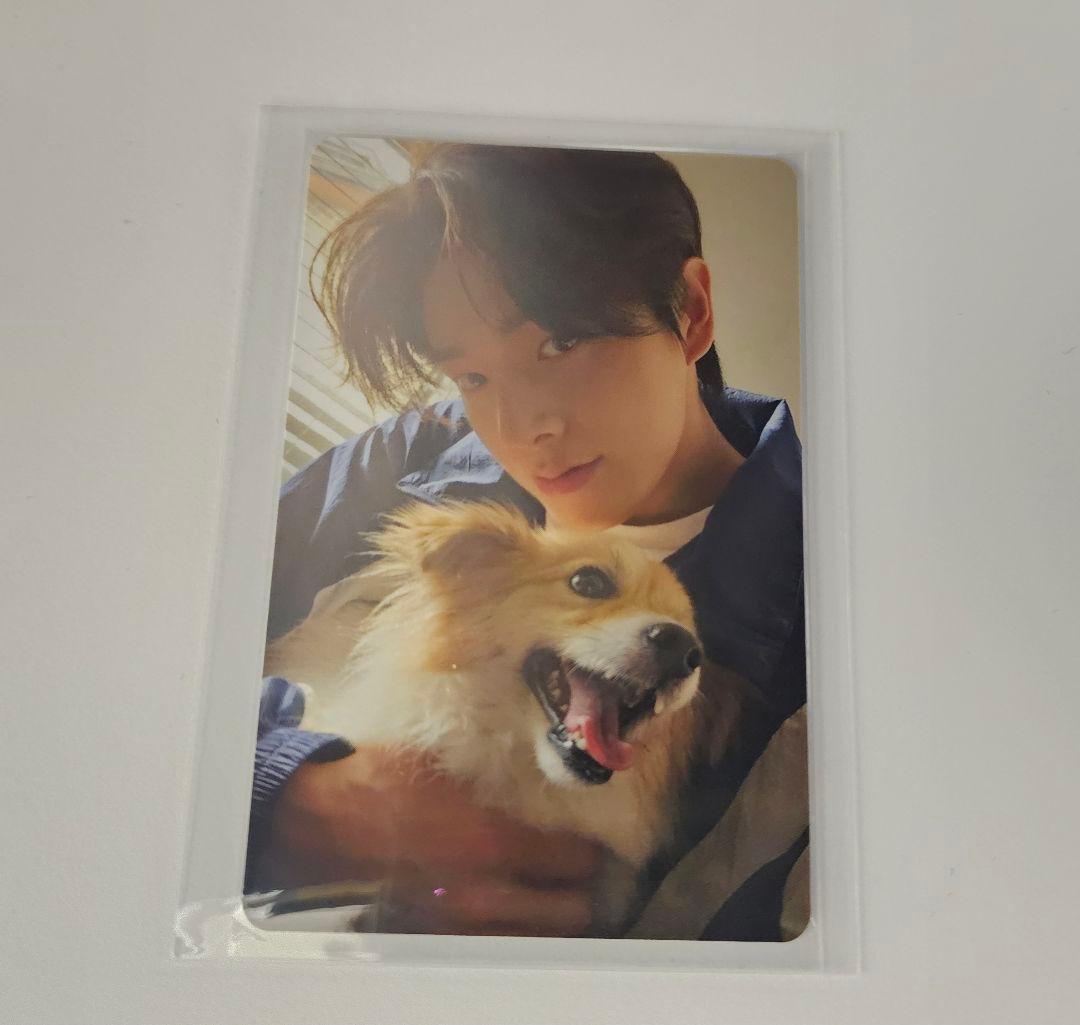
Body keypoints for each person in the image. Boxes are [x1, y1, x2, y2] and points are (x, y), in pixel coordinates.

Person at [245, 143, 808, 940]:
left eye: (562, 343)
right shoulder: (409, 457)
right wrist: (287, 793)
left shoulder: (839, 616)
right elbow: (143, 656)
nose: (521, 428)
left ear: (690, 310)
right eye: (473, 377)